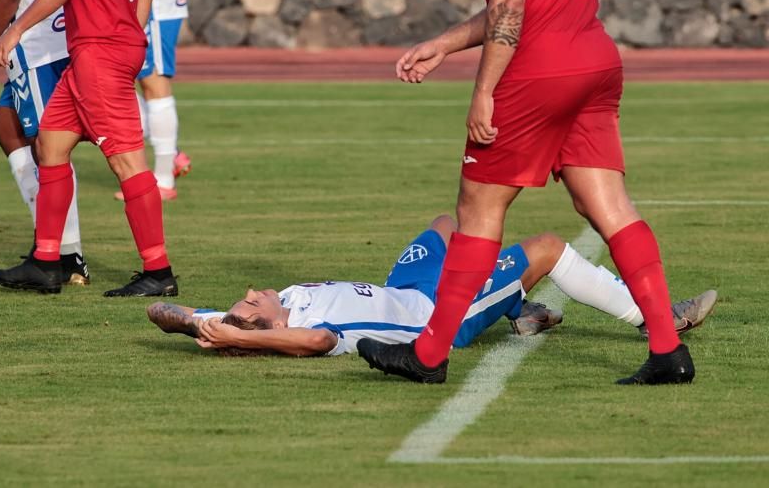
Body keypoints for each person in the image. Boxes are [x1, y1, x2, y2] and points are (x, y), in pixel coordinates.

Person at [358, 0, 695, 385]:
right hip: (593, 59)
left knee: (479, 208)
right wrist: (446, 43)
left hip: (540, 68)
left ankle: (428, 354)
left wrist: (483, 91)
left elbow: (510, 7)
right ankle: (668, 350)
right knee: (609, 205)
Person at [145, 215, 716, 358]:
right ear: (267, 324)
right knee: (544, 247)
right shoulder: (305, 331)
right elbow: (315, 345)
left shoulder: (249, 315)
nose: (250, 292)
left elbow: (160, 312)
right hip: (440, 314)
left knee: (447, 226)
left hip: (407, 286)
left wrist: (200, 323)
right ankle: (656, 318)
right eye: (251, 303)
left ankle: (516, 307)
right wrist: (242, 340)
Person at [0, 0, 178, 297]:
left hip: (98, 51)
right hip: (100, 50)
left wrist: (15, 30)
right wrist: (129, 42)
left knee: (127, 162)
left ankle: (158, 270)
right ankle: (46, 262)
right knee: (50, 146)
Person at [0, 0, 89, 285]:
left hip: (36, 44)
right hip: (45, 37)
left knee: (49, 148)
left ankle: (65, 257)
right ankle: (57, 250)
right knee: (6, 125)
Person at [114, 0, 191, 202]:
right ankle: (171, 154)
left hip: (155, 5)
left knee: (154, 83)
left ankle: (164, 179)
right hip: (141, 0)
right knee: (119, 81)